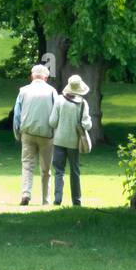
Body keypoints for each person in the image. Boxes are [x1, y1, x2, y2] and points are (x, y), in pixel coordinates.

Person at [12, 63, 56, 206]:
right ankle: (46, 199)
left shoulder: (23, 91)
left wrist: (17, 133)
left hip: (28, 133)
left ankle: (26, 194)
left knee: (27, 165)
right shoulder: (51, 91)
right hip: (46, 134)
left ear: (32, 76)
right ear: (46, 77)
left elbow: (17, 115)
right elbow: (56, 114)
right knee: (46, 169)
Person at [48, 74, 92, 207]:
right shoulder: (83, 104)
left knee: (58, 170)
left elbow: (52, 122)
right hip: (74, 142)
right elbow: (87, 125)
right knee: (75, 171)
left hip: (59, 140)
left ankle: (57, 198)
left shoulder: (59, 100)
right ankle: (76, 200)